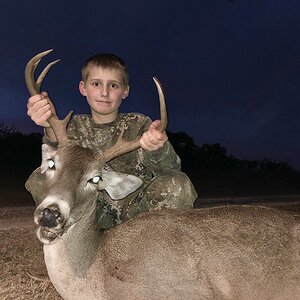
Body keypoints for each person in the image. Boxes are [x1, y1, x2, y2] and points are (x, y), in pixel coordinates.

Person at [25, 53, 198, 280]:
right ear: (83, 87)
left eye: (113, 85)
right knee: (40, 177)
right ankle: (57, 243)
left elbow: (170, 168)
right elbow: (53, 162)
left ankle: (164, 258)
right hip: (90, 213)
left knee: (178, 184)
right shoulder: (71, 128)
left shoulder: (140, 124)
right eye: (96, 84)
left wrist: (157, 148)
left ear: (125, 91)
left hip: (135, 214)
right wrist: (46, 124)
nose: (104, 92)